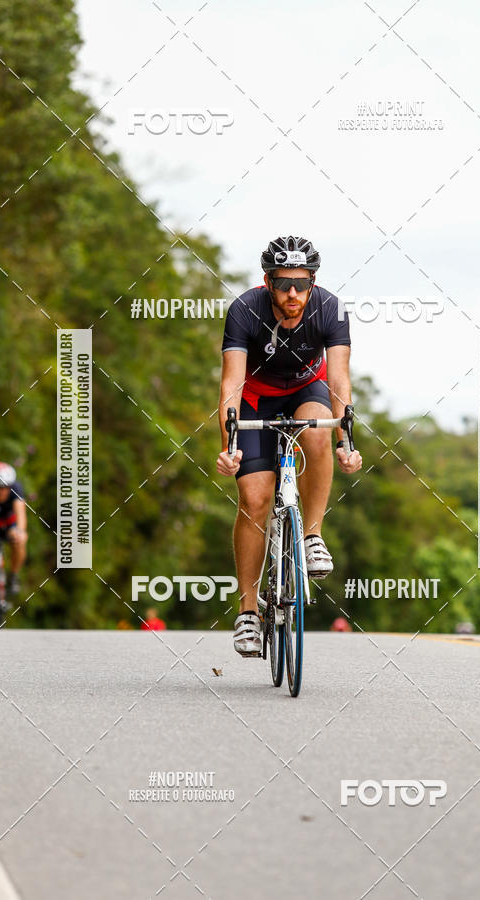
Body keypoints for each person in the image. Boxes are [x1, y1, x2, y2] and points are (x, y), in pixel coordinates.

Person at [216, 236, 362, 656]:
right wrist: (229, 445)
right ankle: (247, 611)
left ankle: (312, 534)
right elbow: (230, 383)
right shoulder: (245, 309)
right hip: (255, 398)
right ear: (268, 281)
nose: (293, 293)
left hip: (305, 390)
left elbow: (338, 381)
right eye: (283, 284)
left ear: (313, 282)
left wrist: (345, 440)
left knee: (316, 430)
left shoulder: (329, 309)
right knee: (254, 499)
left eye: (301, 283)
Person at [0, 462, 27, 605]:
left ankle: (13, 576)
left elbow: (21, 515)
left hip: (10, 529)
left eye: (5, 487)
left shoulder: (16, 490)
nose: (2, 491)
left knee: (20, 539)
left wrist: (20, 531)